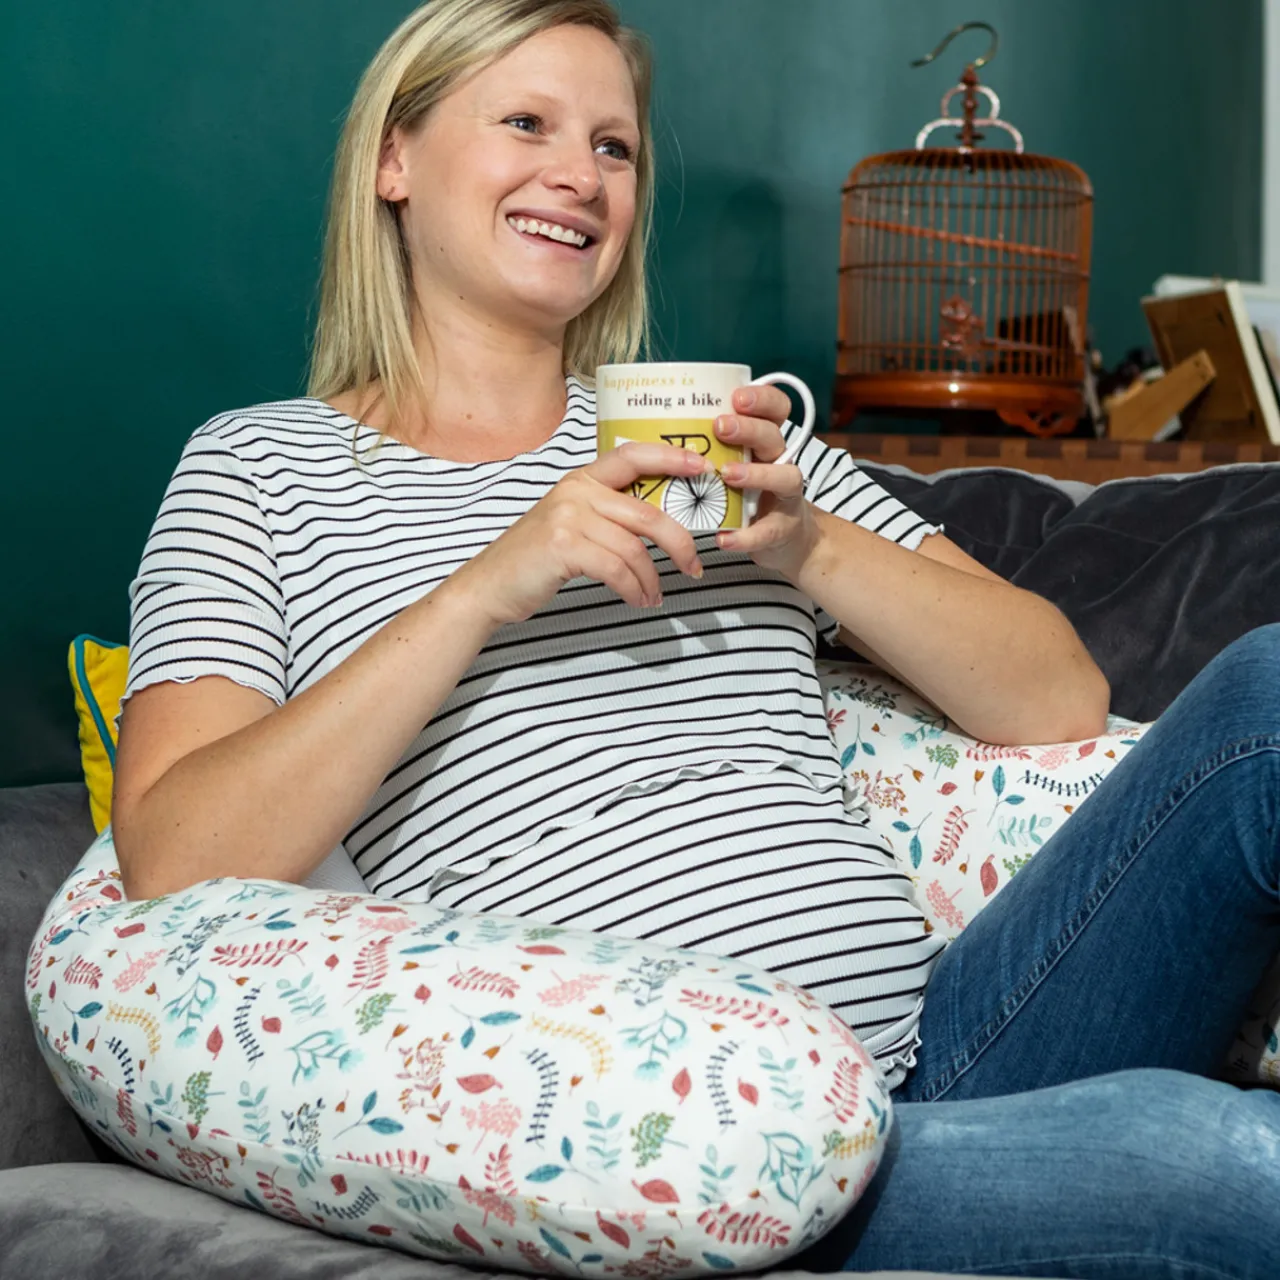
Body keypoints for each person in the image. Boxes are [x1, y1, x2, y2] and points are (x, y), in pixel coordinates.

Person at [104, 0, 1280, 1275]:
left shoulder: (730, 445)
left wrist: (805, 542)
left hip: (955, 1044)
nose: (579, 174)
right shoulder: (259, 470)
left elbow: (1055, 693)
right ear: (395, 158)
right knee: (1213, 1157)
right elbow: (177, 855)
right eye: (526, 123)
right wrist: (482, 588)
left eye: (612, 146)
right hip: (692, 1158)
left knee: (1263, 693)